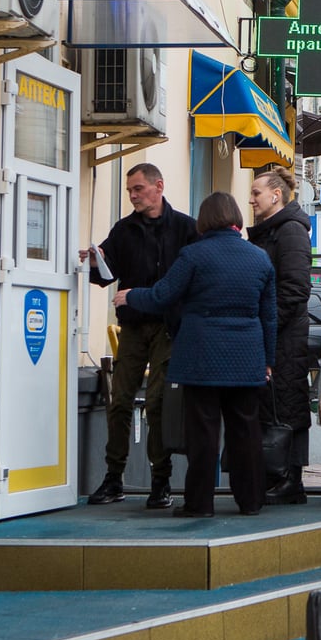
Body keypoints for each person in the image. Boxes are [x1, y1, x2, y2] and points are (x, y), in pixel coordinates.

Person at [114, 192, 275, 517]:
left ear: (204, 220)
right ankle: (251, 501)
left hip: (202, 358)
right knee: (246, 431)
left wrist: (130, 297)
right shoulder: (259, 258)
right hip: (246, 360)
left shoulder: (193, 255)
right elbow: (269, 315)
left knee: (203, 433)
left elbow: (162, 295)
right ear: (236, 220)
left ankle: (199, 504)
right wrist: (268, 360)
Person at [82, 162, 198, 509]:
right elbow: (105, 275)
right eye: (129, 190)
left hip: (168, 326)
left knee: (158, 403)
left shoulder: (185, 228)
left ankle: (160, 481)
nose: (132, 195)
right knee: (119, 402)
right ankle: (113, 477)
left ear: (158, 186)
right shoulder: (123, 230)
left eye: (138, 189)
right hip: (132, 326)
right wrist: (94, 261)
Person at [247, 166, 312, 506]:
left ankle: (290, 479)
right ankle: (278, 477)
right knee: (273, 405)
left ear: (276, 195)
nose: (250, 199)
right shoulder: (270, 231)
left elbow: (295, 290)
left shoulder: (289, 232)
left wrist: (265, 330)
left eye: (256, 193)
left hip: (283, 339)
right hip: (275, 336)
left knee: (285, 403)